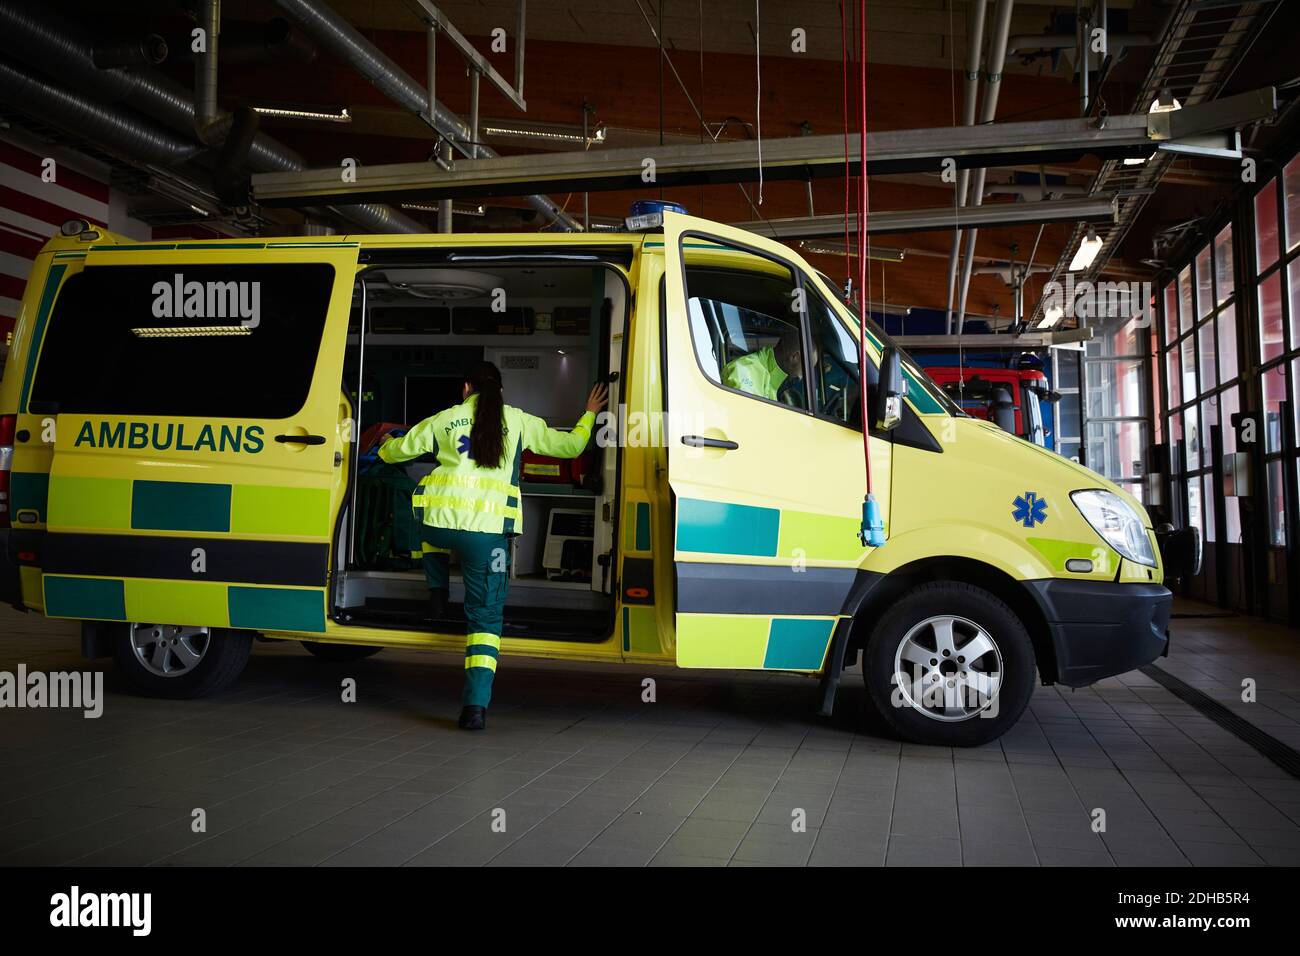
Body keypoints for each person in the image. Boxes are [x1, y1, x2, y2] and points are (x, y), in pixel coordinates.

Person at [378, 361, 609, 730]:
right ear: (500, 391)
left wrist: (385, 445)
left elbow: (397, 452)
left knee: (426, 518)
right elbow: (570, 447)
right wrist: (589, 415)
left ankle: (437, 593)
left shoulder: (445, 418)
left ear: (465, 388)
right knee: (485, 619)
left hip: (439, 528)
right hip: (485, 538)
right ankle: (474, 708)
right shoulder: (518, 421)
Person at [721, 326, 805, 405]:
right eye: (806, 368)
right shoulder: (746, 369)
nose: (803, 376)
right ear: (795, 357)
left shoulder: (776, 386)